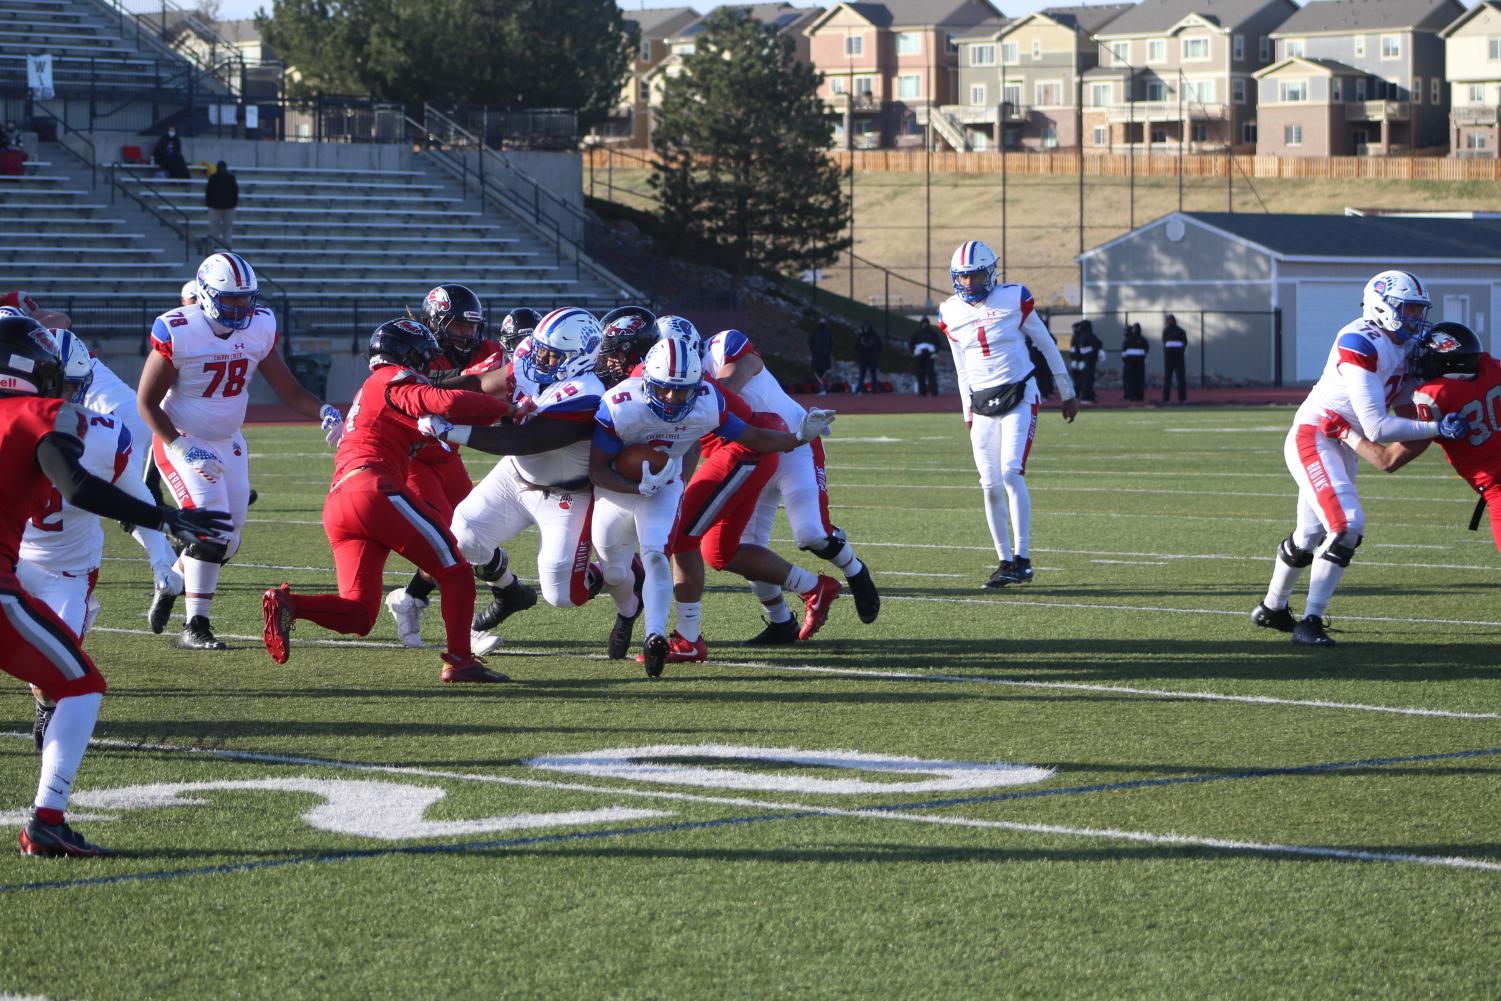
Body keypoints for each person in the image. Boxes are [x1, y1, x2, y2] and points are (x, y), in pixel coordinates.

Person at [0, 315, 229, 857]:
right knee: (81, 685)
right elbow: (77, 486)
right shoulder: (47, 415)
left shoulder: (91, 428)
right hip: (11, 577)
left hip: (60, 570)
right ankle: (48, 819)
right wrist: (166, 521)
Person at [262, 319, 521, 683]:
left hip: (340, 502)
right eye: (424, 357)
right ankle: (461, 661)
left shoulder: (371, 388)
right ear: (408, 354)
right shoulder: (391, 378)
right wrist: (506, 410)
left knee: (360, 614)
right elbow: (443, 400)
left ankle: (290, 604)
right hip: (372, 489)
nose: (428, 366)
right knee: (457, 569)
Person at [585, 334, 835, 677]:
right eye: (664, 389)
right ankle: (801, 596)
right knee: (716, 550)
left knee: (680, 539)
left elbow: (751, 431)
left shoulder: (705, 397)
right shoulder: (620, 401)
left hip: (735, 457)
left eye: (683, 389)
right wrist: (636, 483)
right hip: (655, 477)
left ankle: (686, 638)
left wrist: (800, 437)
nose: (673, 398)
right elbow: (597, 468)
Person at [139, 252, 344, 650]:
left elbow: (288, 390)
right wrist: (182, 447)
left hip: (229, 440)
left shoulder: (260, 325)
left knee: (227, 543)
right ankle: (195, 626)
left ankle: (173, 581)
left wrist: (323, 409)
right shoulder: (179, 330)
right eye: (231, 299)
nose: (241, 307)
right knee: (211, 528)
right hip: (182, 437)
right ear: (205, 294)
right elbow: (146, 402)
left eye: (246, 298)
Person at [1251, 270, 1468, 647]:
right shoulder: (1361, 342)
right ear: (1382, 307)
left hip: (1340, 440)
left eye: (1420, 311)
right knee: (1347, 524)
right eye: (1410, 310)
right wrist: (1437, 429)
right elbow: (1378, 427)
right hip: (1317, 434)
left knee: (1310, 534)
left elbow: (1400, 403)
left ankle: (1272, 609)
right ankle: (1310, 621)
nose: (1417, 319)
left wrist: (1427, 413)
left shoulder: (1401, 345)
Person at [442, 307, 644, 654]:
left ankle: (627, 591)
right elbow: (481, 384)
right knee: (464, 537)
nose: (541, 359)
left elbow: (524, 440)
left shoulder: (587, 394)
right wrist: (426, 390)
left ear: (581, 357)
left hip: (568, 494)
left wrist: (451, 430)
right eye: (539, 349)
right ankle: (510, 591)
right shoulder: (529, 358)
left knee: (563, 595)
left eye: (553, 354)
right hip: (515, 475)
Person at [383, 284, 533, 654]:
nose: (468, 335)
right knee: (452, 543)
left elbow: (484, 386)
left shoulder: (487, 351)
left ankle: (409, 599)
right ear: (436, 322)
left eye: (471, 328)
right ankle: (466, 631)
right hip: (415, 457)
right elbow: (413, 393)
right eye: (459, 327)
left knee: (470, 536)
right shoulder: (415, 347)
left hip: (448, 455)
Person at [706, 326, 879, 643]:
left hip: (796, 444)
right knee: (743, 547)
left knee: (811, 533)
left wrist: (698, 393)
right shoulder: (671, 388)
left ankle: (855, 570)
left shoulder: (723, 347)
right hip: (751, 458)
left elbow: (730, 384)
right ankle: (780, 621)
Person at [940, 240, 1078, 589]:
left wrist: (1067, 392)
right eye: (964, 277)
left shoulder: (1014, 298)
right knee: (989, 485)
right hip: (982, 403)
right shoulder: (949, 312)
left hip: (1019, 392)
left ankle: (1024, 558)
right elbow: (961, 369)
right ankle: (1004, 562)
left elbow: (1047, 344)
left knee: (1011, 473)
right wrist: (967, 413)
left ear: (991, 272)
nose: (970, 284)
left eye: (976, 276)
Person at [1322, 322, 1501, 548]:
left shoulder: (1435, 398)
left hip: (1496, 489)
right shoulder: (1491, 367)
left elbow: (1387, 460)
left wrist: (1345, 432)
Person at [204, 160, 238, 250]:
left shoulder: (214, 177)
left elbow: (208, 192)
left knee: (216, 227)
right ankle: (224, 244)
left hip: (218, 207)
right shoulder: (229, 177)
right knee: (225, 227)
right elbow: (235, 192)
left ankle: (216, 243)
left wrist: (209, 204)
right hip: (224, 207)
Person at [1068, 319, 1102, 405]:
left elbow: (1076, 350)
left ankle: (1085, 395)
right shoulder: (1084, 336)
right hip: (1086, 362)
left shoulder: (1079, 336)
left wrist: (1076, 360)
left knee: (1083, 379)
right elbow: (1082, 350)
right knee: (1086, 379)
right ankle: (1086, 397)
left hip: (1082, 362)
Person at [909, 317, 942, 396]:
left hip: (929, 355)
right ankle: (922, 392)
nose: (925, 324)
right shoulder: (917, 333)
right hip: (919, 355)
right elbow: (911, 343)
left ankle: (934, 392)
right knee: (920, 373)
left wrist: (935, 352)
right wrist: (913, 351)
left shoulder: (932, 333)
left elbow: (938, 343)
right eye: (923, 323)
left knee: (931, 374)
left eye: (926, 323)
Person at [1162, 314, 1188, 404]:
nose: (1168, 322)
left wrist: (1179, 349)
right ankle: (1166, 399)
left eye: (1170, 320)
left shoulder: (1181, 331)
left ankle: (1182, 399)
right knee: (1167, 378)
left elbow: (1185, 343)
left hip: (1179, 358)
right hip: (1169, 358)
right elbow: (1164, 342)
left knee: (1180, 378)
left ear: (1173, 321)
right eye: (1167, 320)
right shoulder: (1166, 331)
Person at [1120, 322, 1149, 402]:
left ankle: (1130, 396)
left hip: (1129, 362)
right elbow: (1146, 349)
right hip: (1140, 362)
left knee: (1130, 379)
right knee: (1139, 379)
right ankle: (1139, 397)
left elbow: (1124, 351)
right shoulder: (1143, 340)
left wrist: (1124, 360)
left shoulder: (1128, 340)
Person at [854, 323, 882, 394]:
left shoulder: (873, 336)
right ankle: (859, 389)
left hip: (872, 358)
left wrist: (877, 355)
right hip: (864, 359)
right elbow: (856, 346)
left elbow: (879, 345)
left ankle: (874, 389)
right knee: (862, 375)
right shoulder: (861, 336)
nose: (866, 329)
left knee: (873, 375)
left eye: (868, 327)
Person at [808, 319, 833, 395]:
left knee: (825, 374)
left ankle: (826, 389)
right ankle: (820, 390)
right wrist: (814, 351)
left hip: (825, 357)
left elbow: (831, 344)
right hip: (817, 356)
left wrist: (828, 351)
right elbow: (810, 342)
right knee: (817, 374)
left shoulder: (828, 333)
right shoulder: (815, 333)